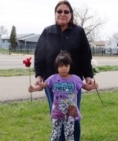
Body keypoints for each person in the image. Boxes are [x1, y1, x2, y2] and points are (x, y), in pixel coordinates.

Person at [34, 0, 94, 140]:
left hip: (73, 83)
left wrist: (88, 76)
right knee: (57, 116)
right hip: (52, 83)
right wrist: (39, 76)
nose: (62, 14)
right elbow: (39, 56)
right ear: (55, 14)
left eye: (66, 11)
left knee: (73, 115)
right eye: (59, 11)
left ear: (71, 15)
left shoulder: (78, 32)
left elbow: (86, 56)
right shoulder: (47, 32)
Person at [29, 51, 98, 141]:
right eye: (61, 66)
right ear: (57, 67)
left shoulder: (76, 79)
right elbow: (42, 86)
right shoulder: (52, 78)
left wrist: (93, 86)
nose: (64, 68)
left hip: (70, 114)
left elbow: (86, 87)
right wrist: (33, 89)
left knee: (69, 134)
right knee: (55, 134)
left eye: (66, 66)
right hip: (57, 113)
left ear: (70, 66)